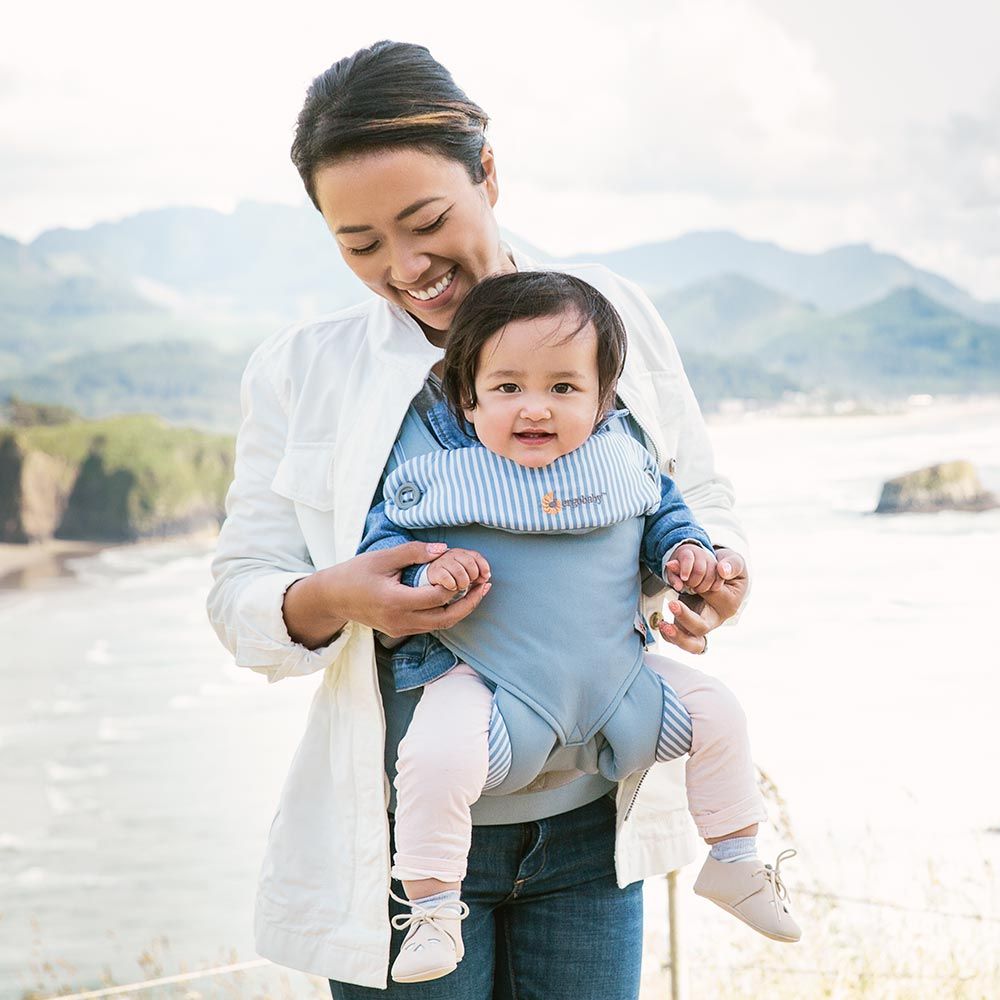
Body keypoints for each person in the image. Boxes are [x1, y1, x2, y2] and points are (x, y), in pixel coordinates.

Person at [207, 40, 756, 998]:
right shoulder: (301, 370)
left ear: (489, 174)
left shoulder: (611, 311)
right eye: (361, 244)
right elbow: (240, 594)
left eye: (426, 222)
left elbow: (694, 494)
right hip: (403, 851)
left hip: (592, 834)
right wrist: (334, 595)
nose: (407, 267)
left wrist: (713, 574)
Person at [358, 270, 798, 983]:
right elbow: (381, 556)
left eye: (564, 388)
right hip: (490, 688)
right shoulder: (434, 479)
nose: (535, 408)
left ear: (603, 401)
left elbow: (669, 517)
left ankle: (737, 857)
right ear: (468, 400)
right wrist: (423, 577)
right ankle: (433, 906)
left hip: (619, 684)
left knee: (719, 711)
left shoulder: (622, 461)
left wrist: (689, 554)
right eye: (507, 389)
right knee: (432, 756)